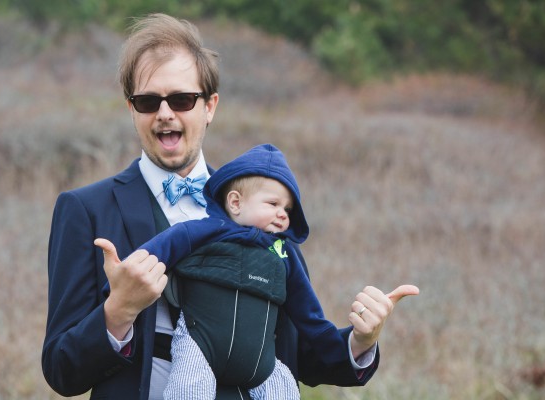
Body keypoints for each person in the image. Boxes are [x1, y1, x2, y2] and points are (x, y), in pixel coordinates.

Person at [41, 13, 419, 400]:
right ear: (132, 109)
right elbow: (61, 370)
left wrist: (361, 341)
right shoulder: (85, 210)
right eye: (148, 100)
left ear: (210, 106)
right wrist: (117, 311)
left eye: (183, 99)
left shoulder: (260, 204)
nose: (166, 113)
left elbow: (298, 353)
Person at [97, 143, 370, 400]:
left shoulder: (282, 253)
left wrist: (345, 346)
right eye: (273, 204)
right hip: (198, 342)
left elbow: (308, 312)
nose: (283, 214)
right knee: (190, 385)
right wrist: (119, 286)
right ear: (236, 203)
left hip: (261, 358)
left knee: (283, 388)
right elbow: (160, 250)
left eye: (287, 208)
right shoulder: (203, 231)